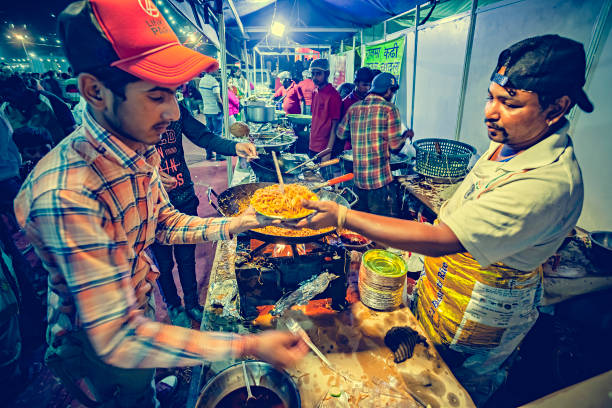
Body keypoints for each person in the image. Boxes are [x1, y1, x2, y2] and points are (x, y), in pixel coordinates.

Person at [13, 1, 307, 407]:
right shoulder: (67, 195)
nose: (172, 113)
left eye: (173, 94)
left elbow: (163, 223)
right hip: (99, 347)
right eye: (156, 96)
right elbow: (120, 338)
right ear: (94, 91)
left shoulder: (135, 148)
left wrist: (238, 223)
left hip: (139, 297)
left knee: (146, 386)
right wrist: (245, 347)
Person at [296, 34, 591, 406]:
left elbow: (445, 238)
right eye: (491, 97)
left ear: (557, 107)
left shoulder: (547, 181)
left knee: (455, 390)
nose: (490, 112)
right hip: (445, 291)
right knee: (423, 369)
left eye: (509, 103)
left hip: (483, 308)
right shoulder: (514, 141)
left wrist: (342, 215)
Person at [153, 101, 257, 325]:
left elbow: (203, 136)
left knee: (186, 257)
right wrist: (149, 174)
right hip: (154, 205)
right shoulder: (132, 116)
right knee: (163, 264)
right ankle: (173, 304)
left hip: (183, 196)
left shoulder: (177, 107)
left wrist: (234, 147)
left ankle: (191, 304)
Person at [336, 72, 412, 217]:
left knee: (361, 229)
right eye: (393, 91)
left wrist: (360, 136)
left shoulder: (354, 108)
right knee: (383, 229)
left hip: (358, 182)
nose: (393, 94)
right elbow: (395, 147)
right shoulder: (390, 109)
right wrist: (405, 136)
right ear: (388, 90)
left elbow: (341, 134)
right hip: (380, 184)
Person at [0, 74, 66, 145]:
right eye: (2, 95)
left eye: (8, 94)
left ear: (21, 87)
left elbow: (71, 128)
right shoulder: (5, 109)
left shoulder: (49, 100)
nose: (5, 98)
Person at [309, 58, 342, 163]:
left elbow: (335, 125)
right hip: (312, 144)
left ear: (327, 74)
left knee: (324, 178)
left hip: (324, 147)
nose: (314, 77)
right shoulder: (314, 92)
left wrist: (328, 150)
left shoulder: (333, 95)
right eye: (312, 74)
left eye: (318, 74)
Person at [337, 67, 376, 153]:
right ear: (356, 83)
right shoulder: (346, 103)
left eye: (370, 85)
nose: (368, 88)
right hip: (351, 149)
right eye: (365, 85)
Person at [198, 70, 223, 159]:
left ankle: (209, 154)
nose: (218, 72)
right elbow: (218, 98)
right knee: (217, 133)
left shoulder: (202, 80)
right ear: (212, 71)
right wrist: (223, 108)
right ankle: (219, 155)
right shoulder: (214, 82)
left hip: (207, 110)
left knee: (209, 133)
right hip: (215, 111)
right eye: (216, 70)